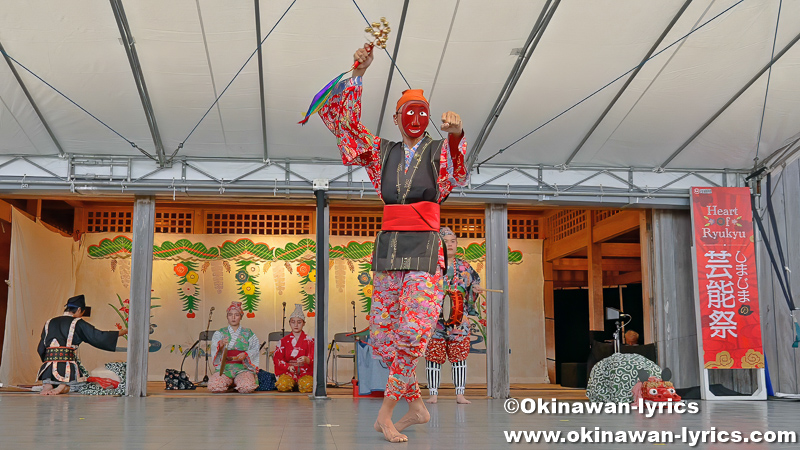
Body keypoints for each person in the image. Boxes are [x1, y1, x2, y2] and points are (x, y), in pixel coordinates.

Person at [319, 43, 469, 443]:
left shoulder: (437, 151)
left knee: (412, 333)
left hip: (425, 252)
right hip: (388, 252)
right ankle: (416, 407)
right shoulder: (382, 151)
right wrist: (358, 73)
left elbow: (457, 174)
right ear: (396, 118)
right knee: (384, 339)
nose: (415, 119)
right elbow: (343, 126)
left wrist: (456, 136)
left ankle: (385, 414)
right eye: (408, 112)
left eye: (422, 112)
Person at [425, 227, 482, 404]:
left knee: (459, 357)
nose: (450, 245)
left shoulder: (465, 267)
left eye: (453, 241)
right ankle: (433, 394)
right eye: (446, 242)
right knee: (433, 356)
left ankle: (460, 394)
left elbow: (474, 285)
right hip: (436, 319)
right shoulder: (430, 266)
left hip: (459, 319)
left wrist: (475, 290)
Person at [37, 294, 126, 395]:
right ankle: (64, 385)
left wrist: (49, 359)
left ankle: (48, 384)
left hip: (47, 369)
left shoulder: (49, 322)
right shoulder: (77, 322)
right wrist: (122, 332)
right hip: (67, 368)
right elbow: (97, 336)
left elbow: (41, 348)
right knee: (79, 383)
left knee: (50, 375)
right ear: (79, 309)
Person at [208, 302, 259, 393]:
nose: (233, 317)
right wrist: (221, 344)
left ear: (241, 317)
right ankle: (230, 383)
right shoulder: (220, 332)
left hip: (242, 368)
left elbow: (255, 348)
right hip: (225, 368)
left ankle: (235, 383)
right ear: (227, 317)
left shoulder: (248, 333)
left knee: (246, 387)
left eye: (237, 315)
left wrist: (246, 354)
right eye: (230, 315)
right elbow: (214, 347)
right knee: (214, 386)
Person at [273, 304, 314, 393]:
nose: (296, 325)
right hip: (289, 372)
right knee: (283, 385)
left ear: (304, 323)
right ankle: (294, 384)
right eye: (293, 322)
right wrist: (288, 367)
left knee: (307, 386)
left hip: (305, 372)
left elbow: (315, 358)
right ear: (289, 323)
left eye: (299, 322)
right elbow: (277, 359)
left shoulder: (310, 341)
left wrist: (307, 359)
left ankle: (299, 384)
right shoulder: (283, 341)